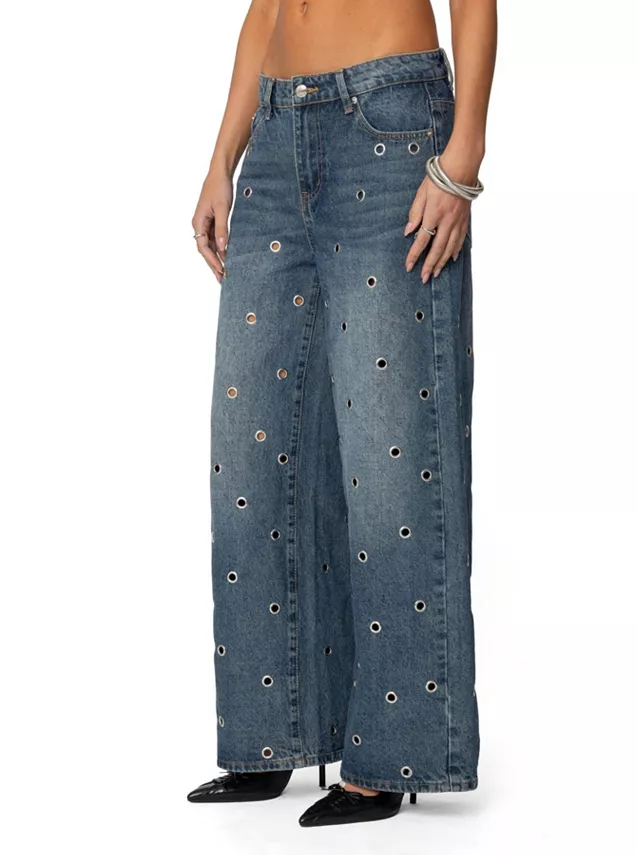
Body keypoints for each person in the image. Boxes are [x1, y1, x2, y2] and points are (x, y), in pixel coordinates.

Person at [189, 0, 497, 827]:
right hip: (274, 134)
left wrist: (463, 155)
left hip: (386, 120)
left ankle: (393, 752)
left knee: (391, 453)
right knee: (250, 450)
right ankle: (271, 735)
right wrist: (222, 159)